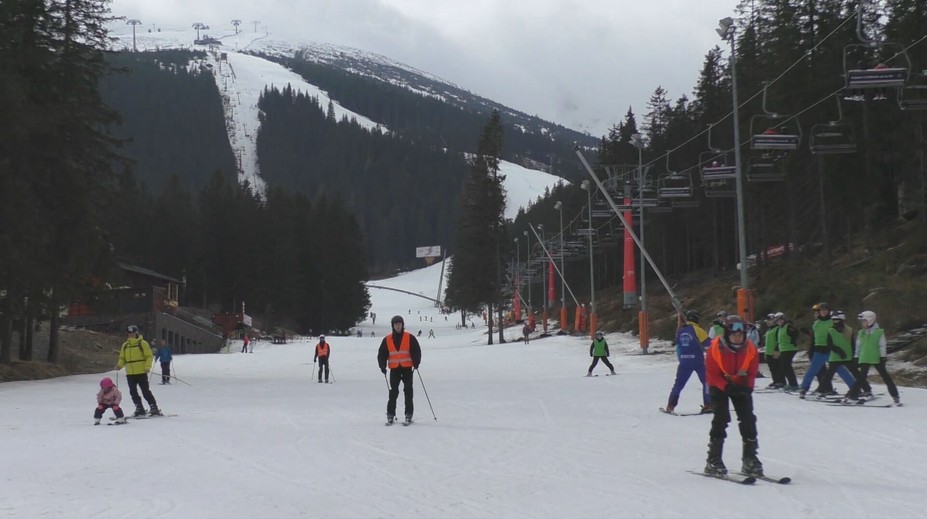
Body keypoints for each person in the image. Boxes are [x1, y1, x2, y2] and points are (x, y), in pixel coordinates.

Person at [704, 314, 762, 477]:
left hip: (740, 384)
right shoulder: (715, 348)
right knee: (721, 418)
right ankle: (713, 459)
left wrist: (748, 388)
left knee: (748, 418)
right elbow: (711, 374)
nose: (738, 337)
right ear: (727, 334)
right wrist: (727, 387)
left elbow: (752, 371)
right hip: (719, 385)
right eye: (734, 334)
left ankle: (750, 458)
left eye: (741, 334)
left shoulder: (750, 348)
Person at [844, 311, 901, 405]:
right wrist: (856, 357)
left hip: (876, 358)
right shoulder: (861, 333)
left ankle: (895, 396)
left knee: (886, 377)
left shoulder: (879, 332)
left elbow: (882, 345)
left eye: (864, 321)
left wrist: (883, 356)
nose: (862, 323)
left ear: (870, 320)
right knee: (861, 378)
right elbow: (858, 346)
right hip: (864, 358)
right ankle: (852, 395)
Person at [378, 315, 422, 425]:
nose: (398, 326)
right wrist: (382, 365)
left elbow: (416, 350)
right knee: (393, 392)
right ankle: (390, 414)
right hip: (394, 369)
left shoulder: (409, 337)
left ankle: (408, 414)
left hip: (407, 368)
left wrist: (416, 362)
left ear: (402, 325)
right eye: (396, 324)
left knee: (408, 391)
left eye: (400, 324)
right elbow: (382, 353)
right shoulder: (387, 339)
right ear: (393, 326)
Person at [664, 310, 711, 414]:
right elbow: (709, 345)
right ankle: (708, 404)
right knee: (707, 382)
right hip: (698, 361)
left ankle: (670, 406)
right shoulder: (698, 330)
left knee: (678, 384)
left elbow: (676, 343)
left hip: (684, 362)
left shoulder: (681, 330)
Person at [115, 325, 161, 417]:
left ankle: (153, 407)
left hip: (141, 372)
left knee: (145, 391)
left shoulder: (142, 343)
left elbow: (149, 356)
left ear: (136, 333)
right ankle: (139, 408)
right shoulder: (125, 345)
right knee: (133, 392)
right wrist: (119, 365)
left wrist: (147, 367)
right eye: (129, 334)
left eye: (132, 333)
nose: (130, 335)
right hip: (130, 373)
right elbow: (122, 358)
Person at [818, 311, 865, 397]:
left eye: (836, 320)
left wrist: (854, 356)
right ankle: (821, 390)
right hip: (835, 357)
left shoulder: (849, 330)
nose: (834, 322)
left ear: (841, 320)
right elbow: (829, 345)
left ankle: (866, 389)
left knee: (857, 374)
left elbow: (852, 344)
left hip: (848, 356)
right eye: (833, 320)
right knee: (829, 375)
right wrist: (839, 351)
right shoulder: (830, 330)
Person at [799, 302, 834, 399]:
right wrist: (812, 350)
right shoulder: (816, 323)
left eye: (824, 310)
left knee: (840, 369)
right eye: (821, 311)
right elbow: (814, 338)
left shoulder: (832, 322)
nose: (822, 312)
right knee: (813, 370)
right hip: (819, 350)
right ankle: (804, 388)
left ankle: (854, 388)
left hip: (830, 350)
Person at [774, 312, 800, 390]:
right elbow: (779, 340)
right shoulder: (779, 328)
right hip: (783, 349)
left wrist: (792, 340)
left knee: (786, 366)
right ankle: (792, 383)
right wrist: (776, 349)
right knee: (784, 366)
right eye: (778, 320)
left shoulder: (788, 326)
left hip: (789, 349)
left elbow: (796, 333)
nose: (779, 321)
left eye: (781, 319)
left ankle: (793, 384)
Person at [763, 314, 783, 388]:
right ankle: (775, 381)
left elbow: (779, 339)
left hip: (774, 352)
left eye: (769, 320)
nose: (767, 322)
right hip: (768, 351)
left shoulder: (777, 328)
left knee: (777, 367)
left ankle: (780, 381)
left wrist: (777, 349)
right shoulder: (769, 329)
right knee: (772, 368)